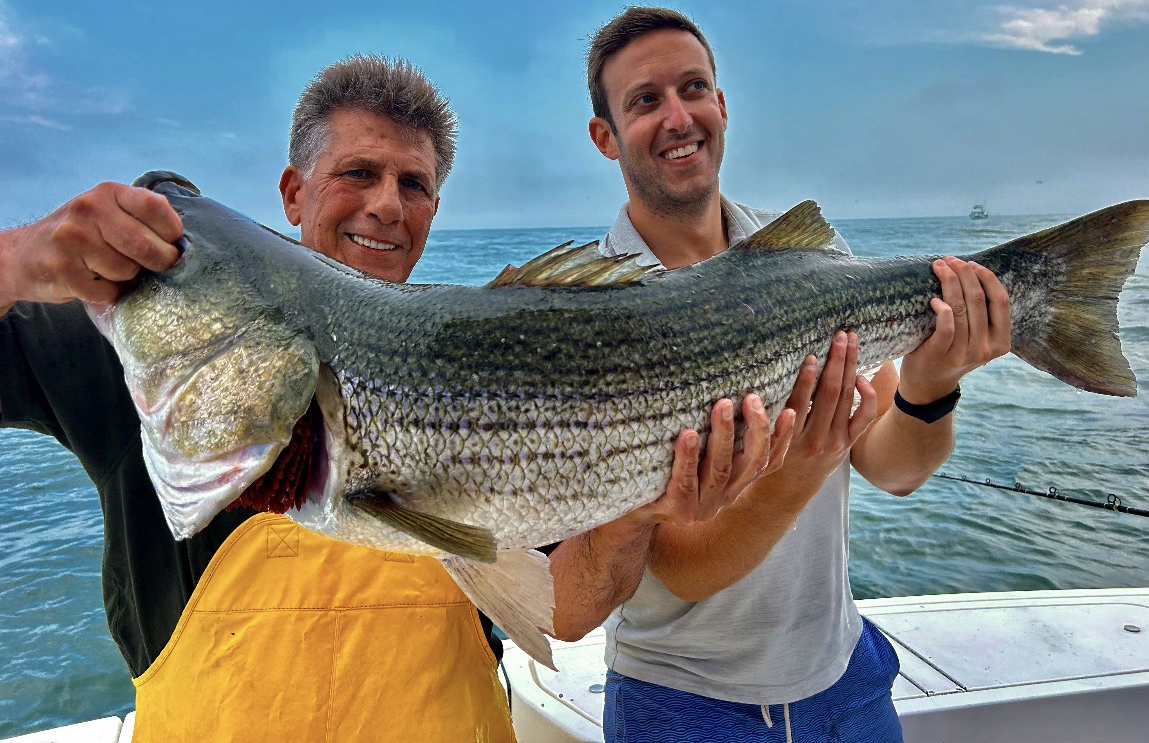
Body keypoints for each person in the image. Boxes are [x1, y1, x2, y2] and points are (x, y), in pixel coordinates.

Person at [0, 54, 787, 741]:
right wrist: (23, 258)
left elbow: (563, 611)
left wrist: (641, 511)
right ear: (293, 193)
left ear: (433, 211)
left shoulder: (506, 368)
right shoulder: (140, 353)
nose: (386, 204)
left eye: (413, 183)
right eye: (357, 174)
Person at [567, 6, 1012, 743]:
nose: (678, 117)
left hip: (846, 680)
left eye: (694, 88)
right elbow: (680, 571)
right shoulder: (591, 311)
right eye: (645, 101)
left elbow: (894, 467)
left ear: (722, 104)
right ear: (604, 137)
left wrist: (931, 385)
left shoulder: (807, 257)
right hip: (680, 706)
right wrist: (801, 468)